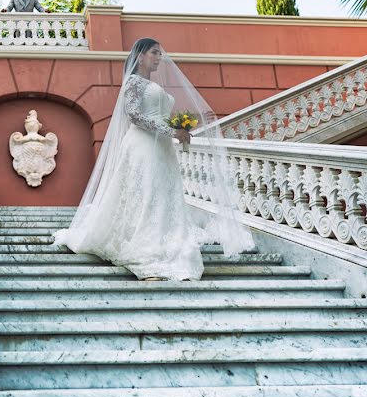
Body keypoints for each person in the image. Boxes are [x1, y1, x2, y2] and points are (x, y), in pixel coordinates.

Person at [53, 38, 254, 281]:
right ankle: (146, 249)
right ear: (140, 56)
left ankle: (166, 242)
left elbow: (156, 116)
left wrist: (180, 128)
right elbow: (135, 116)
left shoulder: (150, 84)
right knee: (146, 195)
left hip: (162, 149)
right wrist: (172, 131)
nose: (159, 57)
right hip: (143, 147)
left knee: (162, 196)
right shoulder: (134, 82)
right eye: (154, 53)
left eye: (160, 53)